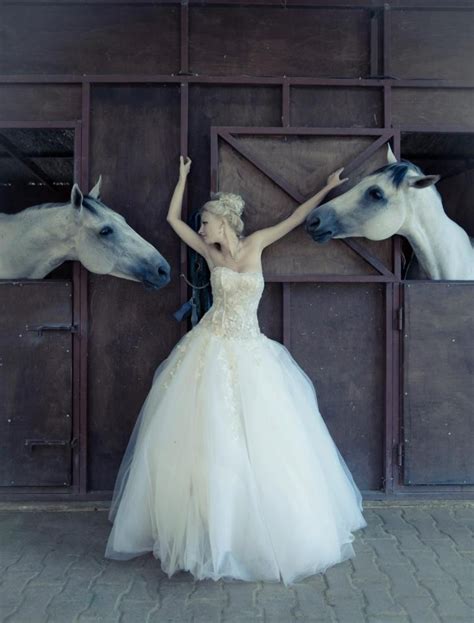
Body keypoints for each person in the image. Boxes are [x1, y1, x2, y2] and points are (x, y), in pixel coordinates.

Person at [105, 156, 367, 585]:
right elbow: (173, 219)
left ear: (224, 222)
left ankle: (262, 528)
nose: (203, 229)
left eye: (206, 222)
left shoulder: (259, 242)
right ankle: (209, 529)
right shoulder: (209, 254)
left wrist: (327, 187)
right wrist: (182, 178)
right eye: (202, 225)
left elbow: (299, 216)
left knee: (269, 439)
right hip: (213, 347)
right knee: (209, 438)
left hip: (253, 349)